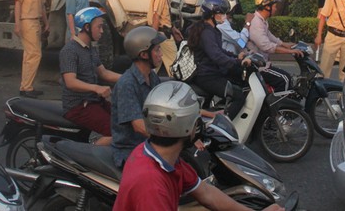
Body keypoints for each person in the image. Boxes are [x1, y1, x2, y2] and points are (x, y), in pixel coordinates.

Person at [113, 81, 283, 211]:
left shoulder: (161, 157)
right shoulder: (151, 185)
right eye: (197, 121)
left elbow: (206, 193)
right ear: (187, 127)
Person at [60, 7, 122, 145]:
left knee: (124, 122)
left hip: (93, 102)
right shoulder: (70, 50)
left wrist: (129, 78)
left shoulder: (90, 49)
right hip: (78, 106)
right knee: (115, 133)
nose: (102, 31)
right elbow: (70, 82)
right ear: (87, 27)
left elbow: (104, 73)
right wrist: (96, 88)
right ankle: (87, 157)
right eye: (99, 27)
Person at [111, 26, 165, 167]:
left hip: (149, 145)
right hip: (131, 151)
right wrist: (171, 139)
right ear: (144, 55)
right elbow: (139, 126)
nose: (161, 54)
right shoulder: (127, 84)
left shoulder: (152, 76)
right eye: (157, 49)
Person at [188, 0, 249, 119]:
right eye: (221, 13)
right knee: (238, 96)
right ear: (211, 14)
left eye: (226, 13)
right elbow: (220, 53)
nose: (225, 16)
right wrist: (247, 26)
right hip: (207, 75)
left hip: (215, 70)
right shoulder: (208, 32)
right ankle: (225, 126)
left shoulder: (213, 29)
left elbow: (220, 51)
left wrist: (236, 56)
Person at [246, 0, 302, 92]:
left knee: (287, 77)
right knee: (285, 80)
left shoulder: (262, 20)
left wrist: (285, 45)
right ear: (267, 7)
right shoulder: (256, 23)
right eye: (274, 6)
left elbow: (269, 36)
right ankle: (279, 107)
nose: (276, 8)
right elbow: (267, 46)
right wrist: (290, 52)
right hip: (258, 67)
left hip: (263, 63)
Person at [14, 0, 49, 98]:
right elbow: (18, 4)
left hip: (36, 22)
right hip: (27, 21)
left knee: (29, 55)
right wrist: (17, 24)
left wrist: (46, 23)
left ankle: (26, 86)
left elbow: (43, 7)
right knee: (35, 54)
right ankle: (26, 87)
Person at [148, 0, 183, 76]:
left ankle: (145, 84)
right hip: (163, 36)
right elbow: (156, 16)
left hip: (164, 32)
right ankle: (175, 88)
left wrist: (173, 29)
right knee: (174, 65)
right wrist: (154, 38)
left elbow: (163, 16)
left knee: (155, 65)